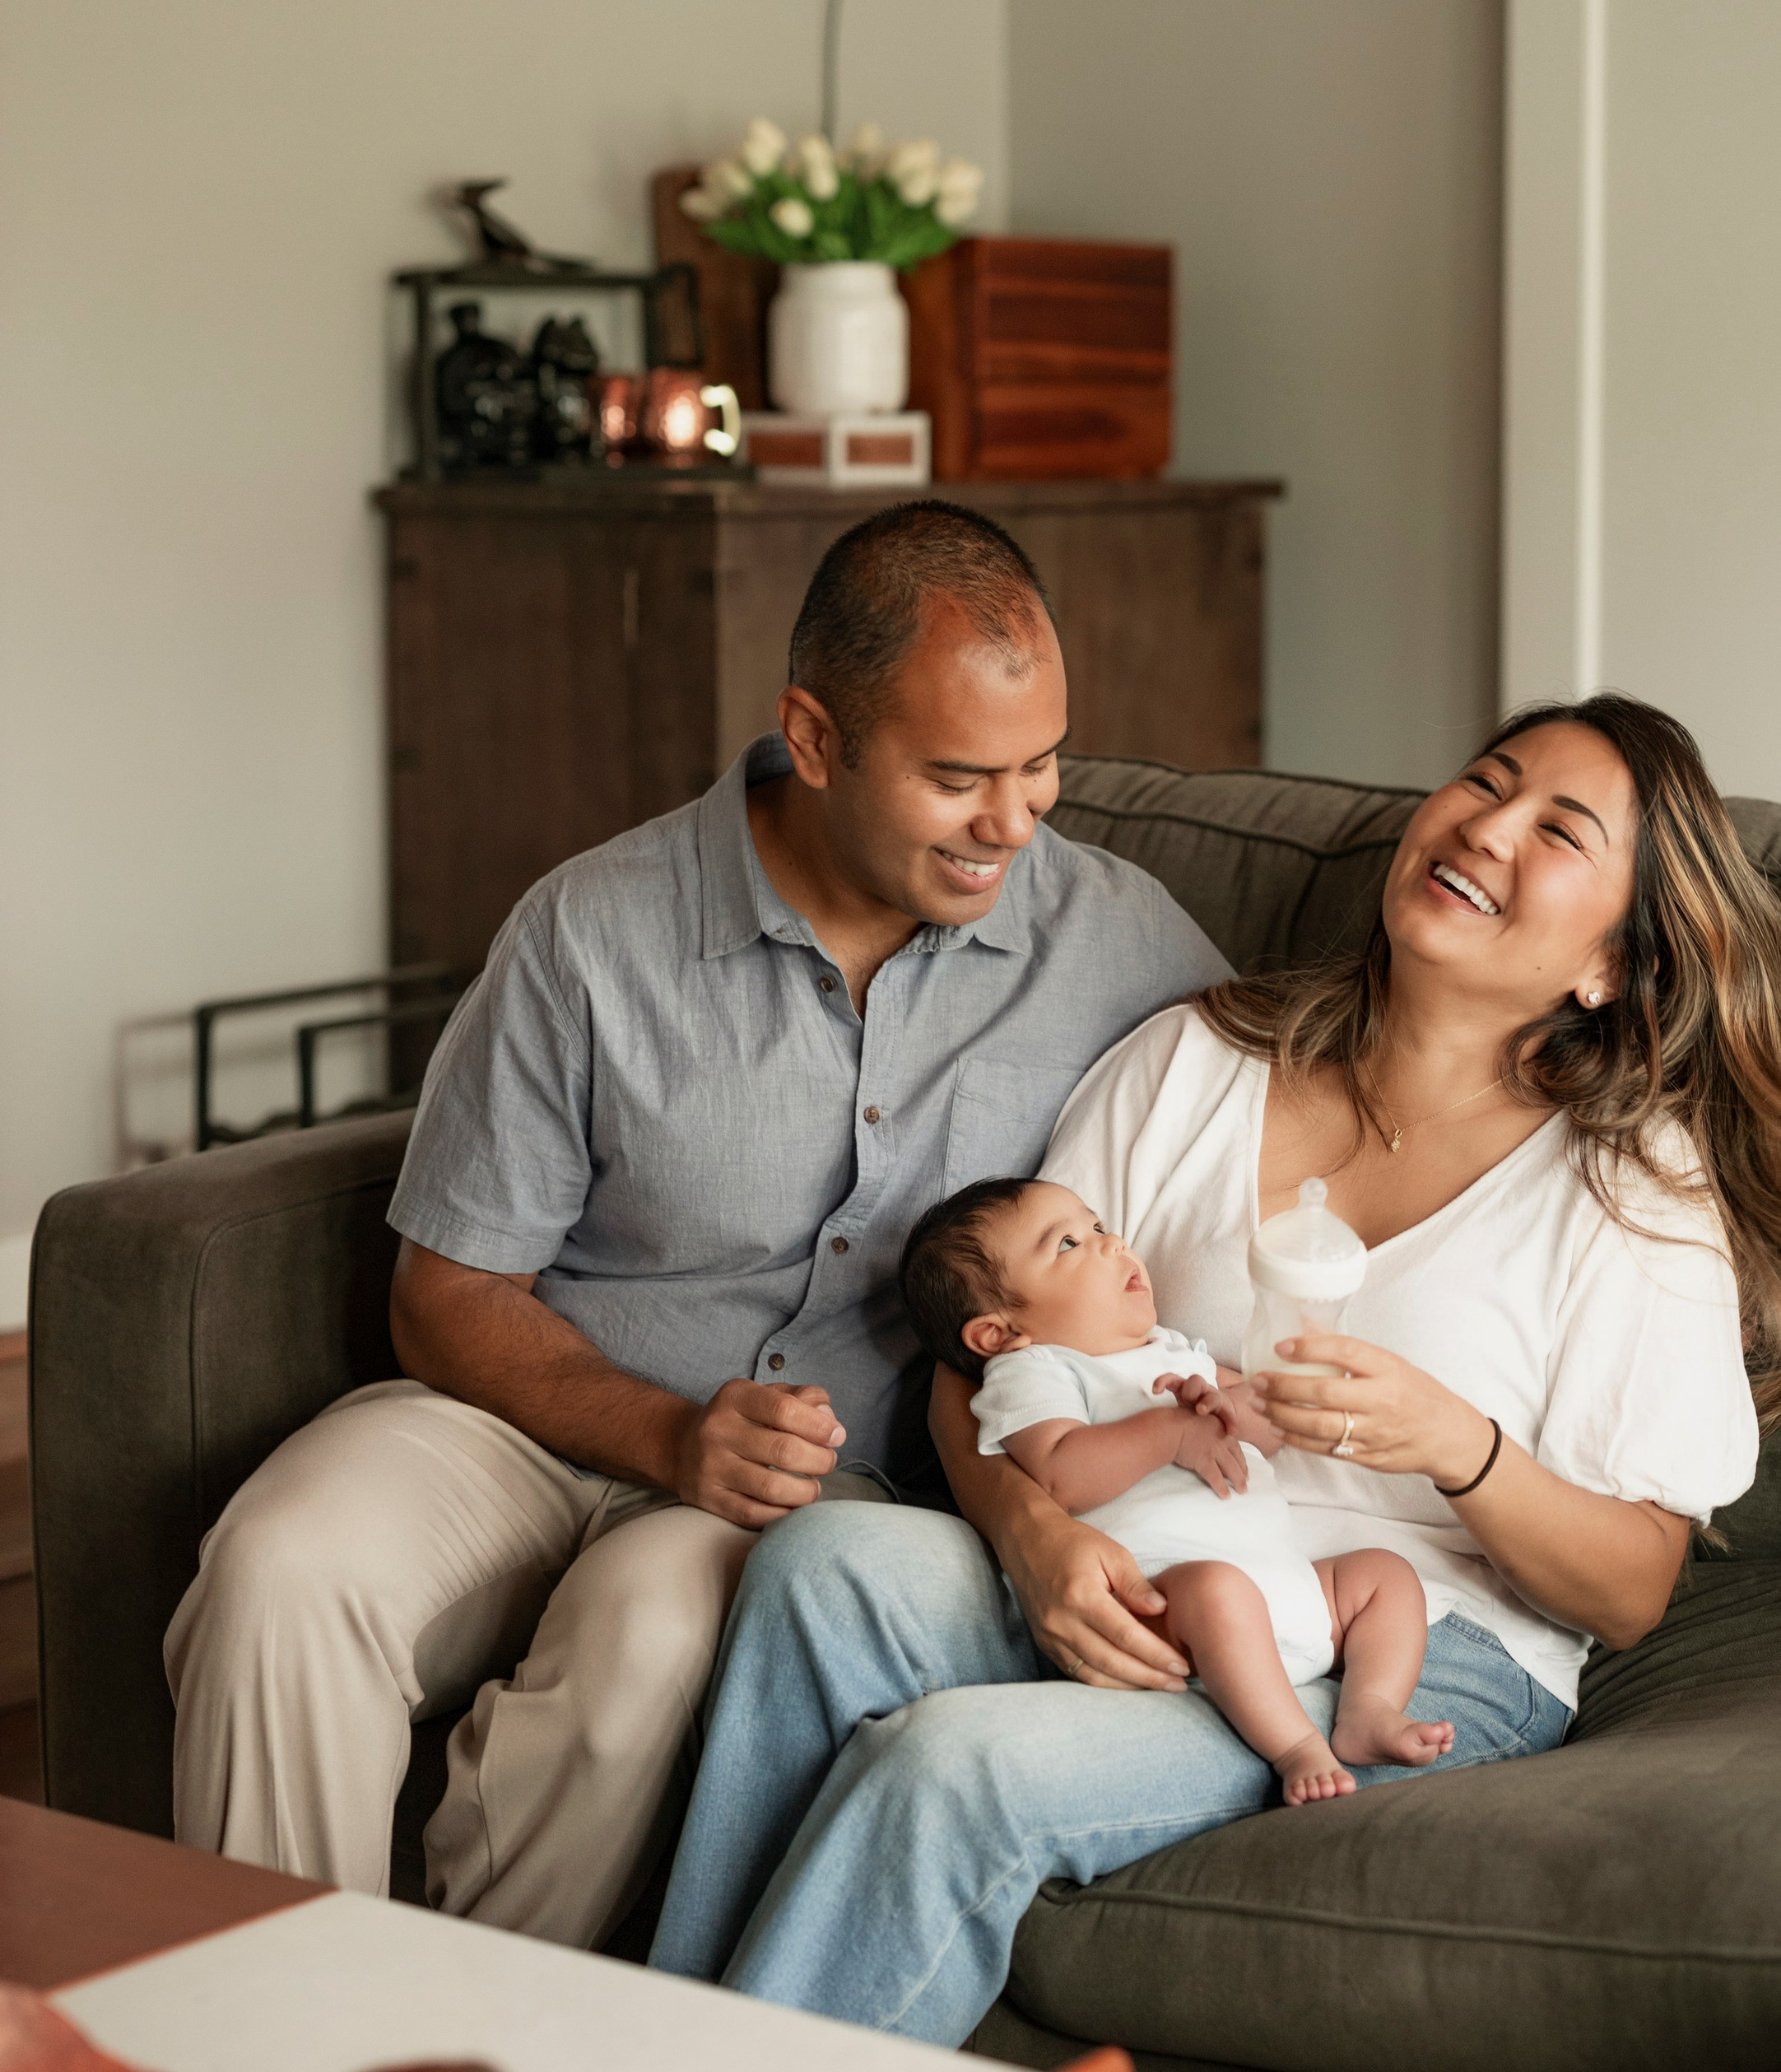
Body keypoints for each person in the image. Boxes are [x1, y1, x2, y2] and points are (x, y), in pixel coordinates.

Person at [649, 694, 1781, 2042]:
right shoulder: (1194, 1064)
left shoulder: (1630, 1191)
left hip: (1411, 1645)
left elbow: (1636, 1587)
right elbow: (984, 1358)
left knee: (951, 1769)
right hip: (1154, 1569)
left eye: (1559, 830)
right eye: (1486, 779)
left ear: (1608, 966)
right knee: (817, 1566)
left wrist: (1455, 1447)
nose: (1487, 825)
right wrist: (1031, 1540)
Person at [163, 501, 1229, 1944]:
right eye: (959, 778)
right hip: (533, 1419)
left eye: (1042, 768)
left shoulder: (1119, 940)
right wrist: (664, 1434)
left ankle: (471, 2056)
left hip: (815, 1494)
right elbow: (450, 1293)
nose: (1013, 824)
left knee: (656, 1632)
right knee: (282, 1565)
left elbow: (1299, 1106)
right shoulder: (592, 932)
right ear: (815, 735)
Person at [900, 1175, 1451, 1805]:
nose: (1113, 1246)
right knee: (1218, 1590)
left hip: (1290, 1596)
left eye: (1101, 1227)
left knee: (1383, 1576)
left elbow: (1269, 1432)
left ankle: (1369, 1709)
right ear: (998, 1333)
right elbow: (1060, 1475)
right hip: (1169, 1610)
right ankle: (1297, 1746)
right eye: (1069, 1245)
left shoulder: (1177, 1352)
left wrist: (1231, 1407)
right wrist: (1170, 1432)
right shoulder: (1033, 1369)